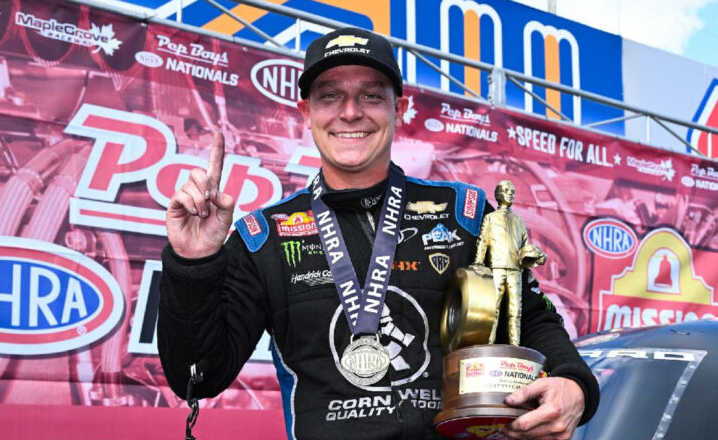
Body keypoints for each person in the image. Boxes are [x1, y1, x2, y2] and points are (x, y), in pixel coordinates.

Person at [158, 26, 599, 440]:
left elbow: (531, 315)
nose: (351, 112)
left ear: (398, 109)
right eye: (330, 96)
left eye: (370, 95)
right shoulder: (264, 236)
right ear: (306, 113)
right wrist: (193, 264)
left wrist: (573, 381)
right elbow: (197, 376)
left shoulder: (464, 213)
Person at [473, 180, 547, 346]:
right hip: (496, 268)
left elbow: (525, 247)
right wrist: (478, 261)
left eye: (512, 191)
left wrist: (537, 256)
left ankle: (515, 346)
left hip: (515, 270)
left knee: (516, 311)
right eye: (506, 190)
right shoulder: (490, 218)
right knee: (493, 309)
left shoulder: (519, 221)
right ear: (498, 194)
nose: (510, 194)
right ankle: (489, 344)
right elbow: (483, 241)